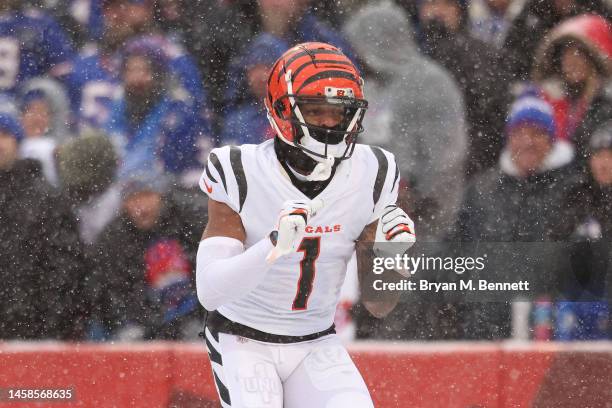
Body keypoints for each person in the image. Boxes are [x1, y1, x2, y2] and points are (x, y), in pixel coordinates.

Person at [196, 42, 416, 407]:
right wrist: (272, 247)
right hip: (242, 339)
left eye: (340, 113)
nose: (330, 124)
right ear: (282, 109)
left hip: (316, 340)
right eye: (316, 111)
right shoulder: (239, 170)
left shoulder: (376, 171)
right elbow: (210, 291)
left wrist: (392, 257)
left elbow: (379, 304)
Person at [0, 105, 86, 339]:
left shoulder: (45, 197)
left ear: (17, 142)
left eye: (5, 134)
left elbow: (64, 265)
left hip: (31, 327)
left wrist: (51, 322)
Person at [90, 171, 207, 341]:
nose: (142, 207)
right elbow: (112, 291)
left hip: (196, 316)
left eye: (147, 196)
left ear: (160, 196)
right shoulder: (113, 239)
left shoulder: (190, 221)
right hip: (141, 323)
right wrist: (141, 323)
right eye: (134, 199)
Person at [532, 13, 612, 164]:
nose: (570, 61)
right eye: (564, 54)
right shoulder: (544, 101)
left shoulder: (606, 106)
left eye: (579, 53)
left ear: (594, 59)